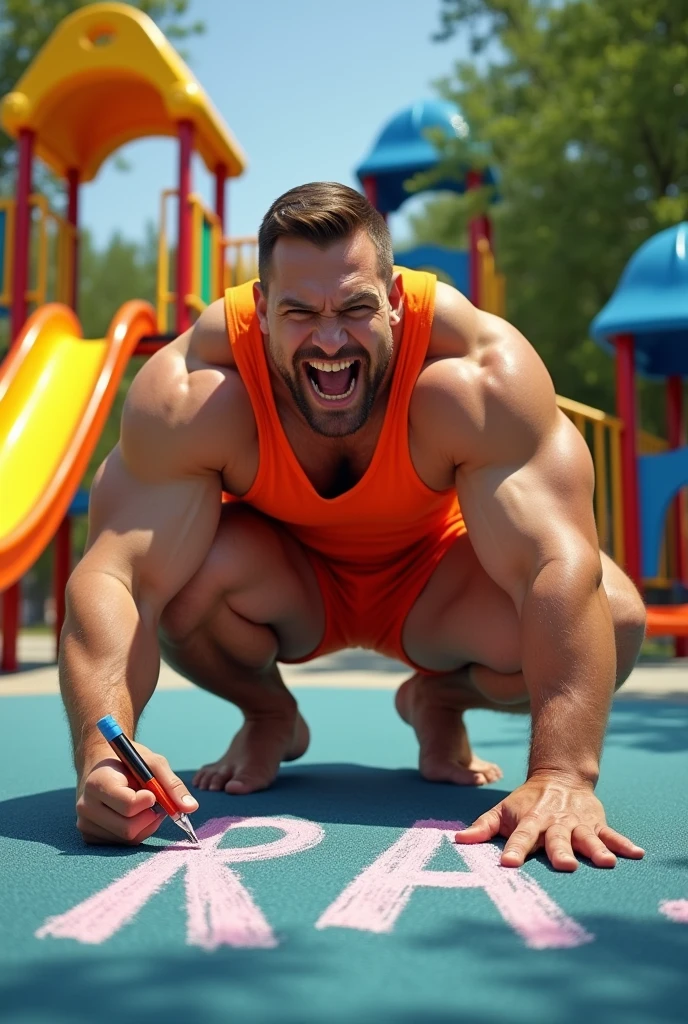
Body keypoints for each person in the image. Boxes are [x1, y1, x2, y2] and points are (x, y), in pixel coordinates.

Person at [60, 182, 647, 872]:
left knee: (616, 617)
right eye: (301, 312)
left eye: (356, 308)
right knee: (178, 583)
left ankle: (437, 697)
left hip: (439, 586)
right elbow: (117, 579)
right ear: (264, 311)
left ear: (396, 302)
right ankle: (271, 715)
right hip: (287, 583)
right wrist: (102, 753)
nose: (330, 339)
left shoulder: (479, 374)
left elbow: (558, 562)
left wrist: (563, 777)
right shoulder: (196, 388)